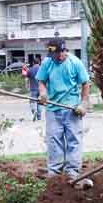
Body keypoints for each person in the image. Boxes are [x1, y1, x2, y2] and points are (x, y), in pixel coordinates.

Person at [36, 38, 91, 188]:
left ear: (63, 51)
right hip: (53, 109)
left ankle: (73, 172)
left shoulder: (75, 63)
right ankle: (54, 173)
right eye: (52, 55)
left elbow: (85, 83)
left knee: (74, 140)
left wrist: (83, 103)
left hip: (72, 109)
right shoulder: (48, 63)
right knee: (54, 140)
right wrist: (43, 93)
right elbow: (41, 81)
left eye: (57, 54)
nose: (55, 58)